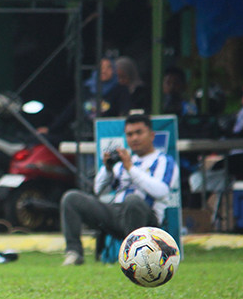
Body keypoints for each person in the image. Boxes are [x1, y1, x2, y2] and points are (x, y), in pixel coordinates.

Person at [59, 113, 178, 266]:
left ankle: (135, 257)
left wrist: (130, 168)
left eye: (139, 133)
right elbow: (98, 190)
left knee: (133, 201)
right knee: (71, 198)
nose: (134, 138)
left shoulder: (163, 161)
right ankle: (74, 253)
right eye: (130, 134)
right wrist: (107, 169)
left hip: (148, 219)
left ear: (151, 135)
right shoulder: (123, 162)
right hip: (117, 213)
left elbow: (161, 191)